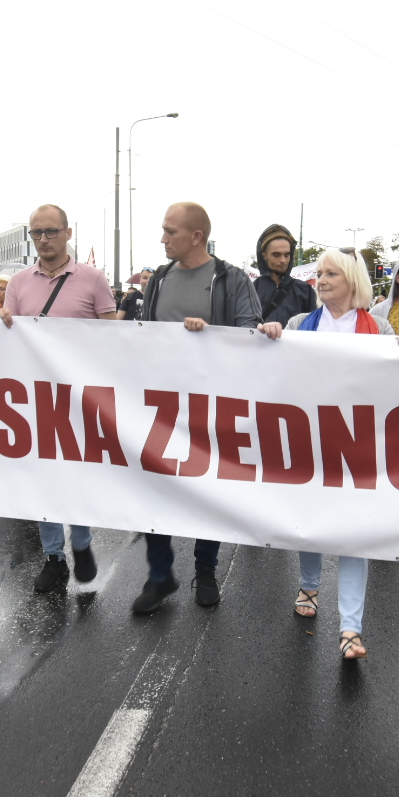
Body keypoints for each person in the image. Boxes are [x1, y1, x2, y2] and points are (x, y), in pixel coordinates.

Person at [258, 248, 399, 659]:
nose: (322, 279)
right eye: (319, 273)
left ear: (353, 280)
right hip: (312, 440)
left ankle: (351, 628)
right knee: (311, 520)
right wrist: (269, 337)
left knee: (356, 530)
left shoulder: (382, 328)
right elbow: (275, 372)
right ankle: (309, 584)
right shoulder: (300, 324)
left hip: (361, 446)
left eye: (331, 273)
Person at [132, 202, 262, 613]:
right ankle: (159, 574)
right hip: (162, 403)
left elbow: (249, 334)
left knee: (209, 488)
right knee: (155, 485)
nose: (162, 238)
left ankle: (205, 570)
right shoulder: (161, 278)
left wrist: (211, 335)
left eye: (170, 231)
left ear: (196, 237)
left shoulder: (231, 279)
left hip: (211, 404)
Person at [0, 204, 121, 592]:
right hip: (33, 397)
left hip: (79, 396)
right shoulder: (17, 283)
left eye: (51, 231)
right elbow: (9, 337)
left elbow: (111, 335)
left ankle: (81, 541)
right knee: (42, 477)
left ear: (68, 233)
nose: (44, 239)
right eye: (37, 233)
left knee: (76, 473)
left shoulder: (93, 279)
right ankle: (54, 557)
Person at [252, 223, 317, 325]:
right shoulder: (251, 291)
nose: (283, 260)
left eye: (287, 255)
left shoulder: (305, 291)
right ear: (264, 256)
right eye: (276, 255)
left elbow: (313, 327)